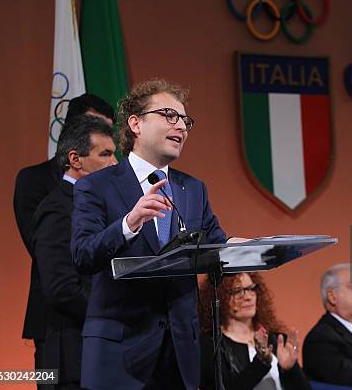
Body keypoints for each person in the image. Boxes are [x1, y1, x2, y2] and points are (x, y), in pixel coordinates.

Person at [71, 79, 229, 390]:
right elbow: (83, 254)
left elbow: (216, 243)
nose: (181, 126)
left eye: (186, 121)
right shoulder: (96, 186)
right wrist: (129, 223)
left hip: (179, 354)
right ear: (136, 124)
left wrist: (249, 248)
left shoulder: (193, 188)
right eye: (170, 115)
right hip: (119, 354)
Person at [13, 94, 114, 375]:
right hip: (57, 321)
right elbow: (48, 255)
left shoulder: (108, 192)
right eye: (103, 151)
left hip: (104, 328)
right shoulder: (40, 186)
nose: (112, 159)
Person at [32, 117, 116, 389]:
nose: (115, 163)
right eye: (105, 154)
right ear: (76, 159)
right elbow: (61, 288)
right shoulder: (57, 209)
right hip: (73, 360)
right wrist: (112, 316)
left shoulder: (98, 207)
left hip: (101, 354)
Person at [198, 272, 310, 390]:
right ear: (220, 297)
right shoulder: (212, 345)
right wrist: (261, 362)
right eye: (238, 291)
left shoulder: (275, 340)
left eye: (251, 289)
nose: (248, 297)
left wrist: (290, 369)